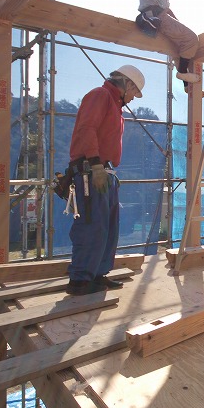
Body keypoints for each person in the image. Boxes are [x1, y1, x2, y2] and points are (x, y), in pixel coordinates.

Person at [65, 65, 145, 295]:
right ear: (128, 84)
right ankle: (79, 280)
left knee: (108, 227)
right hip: (92, 170)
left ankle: (97, 274)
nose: (132, 98)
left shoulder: (115, 105)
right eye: (134, 92)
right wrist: (96, 163)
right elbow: (86, 128)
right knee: (91, 225)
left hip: (104, 172)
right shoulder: (100, 95)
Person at [138, 0, 199, 92]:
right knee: (191, 39)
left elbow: (166, 8)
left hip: (161, 14)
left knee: (180, 45)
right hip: (154, 15)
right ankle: (182, 74)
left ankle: (186, 86)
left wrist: (179, 25)